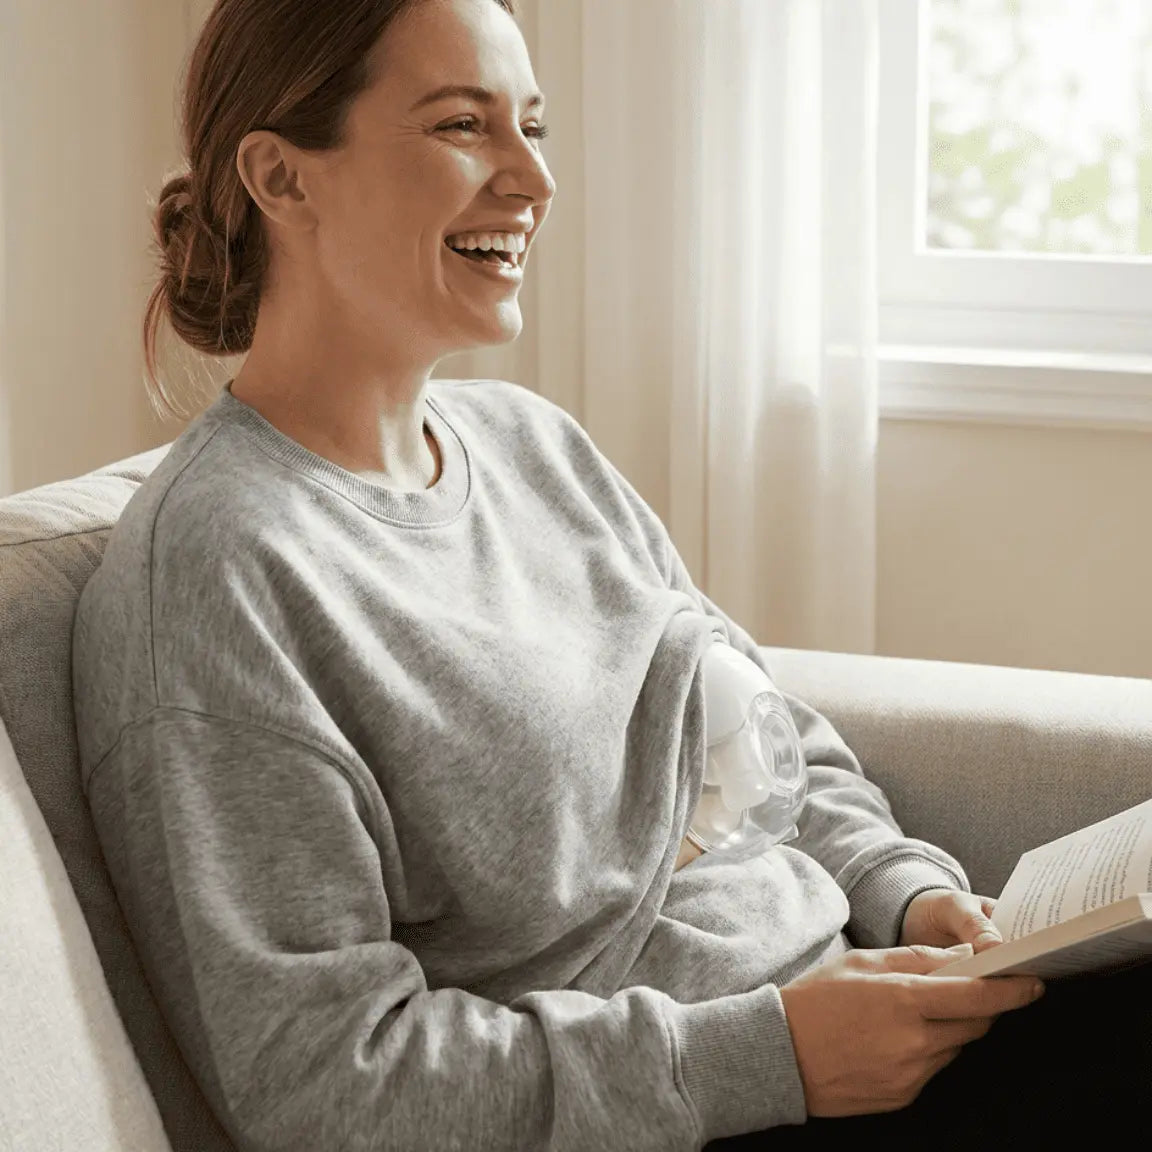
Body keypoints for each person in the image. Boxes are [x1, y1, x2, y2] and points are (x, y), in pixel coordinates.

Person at [71, 2, 1142, 1150]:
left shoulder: (536, 449)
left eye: (532, 124)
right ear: (284, 178)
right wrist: (771, 1058)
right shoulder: (221, 575)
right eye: (461, 126)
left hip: (869, 1026)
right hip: (719, 1114)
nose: (531, 175)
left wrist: (904, 890)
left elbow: (760, 733)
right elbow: (324, 1081)